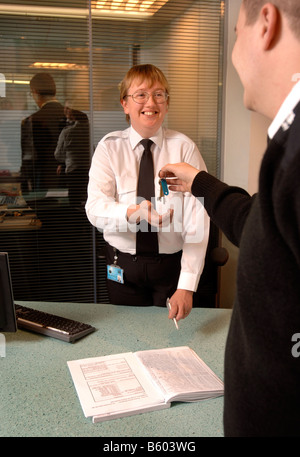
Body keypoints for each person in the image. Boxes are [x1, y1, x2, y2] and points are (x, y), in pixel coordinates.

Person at [160, 0, 300, 437]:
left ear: (265, 23)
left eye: (235, 32)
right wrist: (200, 183)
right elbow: (262, 224)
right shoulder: (289, 145)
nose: (233, 52)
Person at [85, 64, 209, 320]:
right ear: (125, 104)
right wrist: (134, 212)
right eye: (140, 94)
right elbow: (95, 209)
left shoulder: (184, 149)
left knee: (170, 345)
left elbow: (199, 220)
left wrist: (186, 286)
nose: (150, 102)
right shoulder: (109, 148)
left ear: (167, 103)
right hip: (122, 268)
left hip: (170, 269)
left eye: (159, 94)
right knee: (124, 338)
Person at [21, 73, 65, 191]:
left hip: (44, 183)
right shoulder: (74, 117)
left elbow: (30, 159)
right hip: (72, 183)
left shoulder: (32, 121)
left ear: (34, 92)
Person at [55, 103, 90, 207]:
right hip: (88, 169)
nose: (65, 110)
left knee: (74, 203)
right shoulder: (90, 131)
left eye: (68, 108)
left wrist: (65, 160)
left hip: (73, 170)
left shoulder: (68, 131)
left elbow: (58, 155)